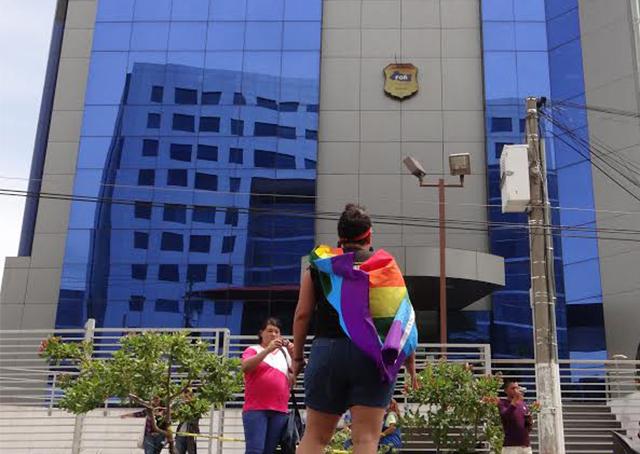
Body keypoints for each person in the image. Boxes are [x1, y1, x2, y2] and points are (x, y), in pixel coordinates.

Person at [292, 203, 418, 454]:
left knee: (315, 437)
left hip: (326, 352)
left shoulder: (320, 267)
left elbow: (302, 314)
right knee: (366, 439)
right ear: (369, 235)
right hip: (371, 355)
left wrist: (297, 357)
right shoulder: (386, 268)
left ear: (340, 238)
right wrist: (410, 367)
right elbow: (402, 320)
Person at [241, 317, 294, 454]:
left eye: (277, 331)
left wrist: (294, 355)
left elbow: (292, 381)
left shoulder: (285, 354)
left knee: (269, 451)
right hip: (256, 409)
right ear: (261, 333)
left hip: (279, 410)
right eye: (270, 330)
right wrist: (267, 350)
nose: (274, 334)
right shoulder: (253, 349)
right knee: (255, 450)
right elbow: (246, 367)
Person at [486, 379, 535, 454]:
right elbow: (505, 415)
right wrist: (514, 401)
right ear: (506, 391)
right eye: (513, 388)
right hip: (511, 447)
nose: (515, 390)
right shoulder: (502, 403)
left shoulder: (523, 404)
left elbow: (527, 425)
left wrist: (529, 421)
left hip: (525, 446)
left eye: (517, 388)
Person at [175, 388, 200, 454]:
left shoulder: (195, 407)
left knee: (191, 451)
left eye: (188, 396)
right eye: (185, 396)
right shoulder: (181, 406)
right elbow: (176, 415)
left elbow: (196, 418)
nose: (186, 398)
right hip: (180, 434)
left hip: (190, 435)